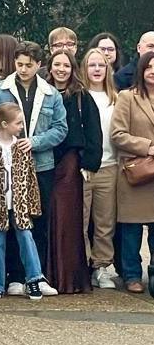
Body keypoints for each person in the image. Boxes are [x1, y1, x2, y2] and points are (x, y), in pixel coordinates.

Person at [0, 41, 67, 297]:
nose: (23, 69)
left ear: (39, 65)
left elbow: (60, 128)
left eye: (29, 65)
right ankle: (14, 277)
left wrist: (35, 142)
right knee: (7, 219)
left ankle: (35, 277)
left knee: (36, 221)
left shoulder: (51, 94)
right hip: (6, 165)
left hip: (40, 165)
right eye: (19, 64)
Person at [0, 102, 45, 300]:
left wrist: (33, 204)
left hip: (19, 203)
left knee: (26, 239)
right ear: (4, 124)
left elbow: (31, 178)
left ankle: (33, 279)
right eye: (18, 123)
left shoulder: (22, 147)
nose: (21, 126)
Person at [45, 50, 101, 294]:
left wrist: (90, 163)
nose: (61, 69)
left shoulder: (81, 95)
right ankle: (45, 275)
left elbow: (93, 130)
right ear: (50, 66)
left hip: (69, 164)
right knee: (45, 218)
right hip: (43, 159)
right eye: (57, 64)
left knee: (67, 219)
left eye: (66, 65)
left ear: (72, 68)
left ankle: (68, 278)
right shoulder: (42, 92)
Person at [110, 51, 154, 294]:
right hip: (135, 172)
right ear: (141, 70)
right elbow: (118, 135)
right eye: (149, 68)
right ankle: (131, 274)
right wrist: (149, 147)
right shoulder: (127, 97)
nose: (153, 72)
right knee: (131, 230)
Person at [81, 49, 120, 289]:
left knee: (105, 222)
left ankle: (102, 266)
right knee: (81, 220)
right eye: (92, 65)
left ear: (108, 69)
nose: (96, 69)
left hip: (110, 166)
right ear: (84, 69)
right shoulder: (79, 96)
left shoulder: (116, 98)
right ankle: (82, 264)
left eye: (101, 65)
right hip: (85, 168)